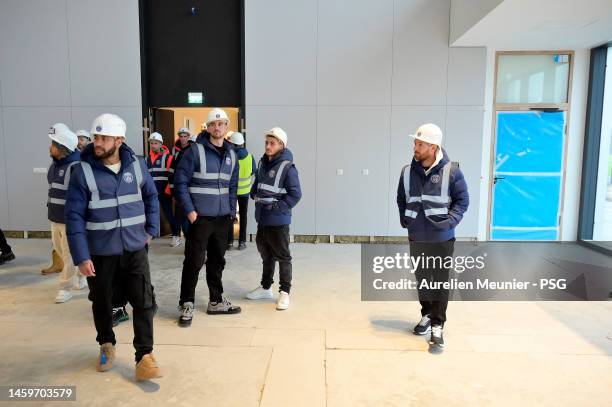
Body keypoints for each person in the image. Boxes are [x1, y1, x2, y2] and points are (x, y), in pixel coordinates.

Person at [66, 113, 161, 380]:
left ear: (119, 140)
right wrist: (81, 257)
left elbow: (151, 197)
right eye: (95, 137)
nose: (97, 142)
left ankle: (145, 355)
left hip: (134, 248)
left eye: (103, 138)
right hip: (100, 252)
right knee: (102, 302)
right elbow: (73, 217)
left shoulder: (138, 166)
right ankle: (106, 343)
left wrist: (151, 230)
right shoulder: (82, 171)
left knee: (143, 301)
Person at [396, 123, 469, 354]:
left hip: (442, 238)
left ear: (433, 146)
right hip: (416, 236)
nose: (415, 147)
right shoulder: (407, 172)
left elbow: (462, 201)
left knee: (438, 281)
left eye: (420, 144)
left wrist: (450, 222)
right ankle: (426, 314)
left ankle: (438, 325)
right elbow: (401, 199)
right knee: (422, 280)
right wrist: (406, 221)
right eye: (415, 143)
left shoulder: (452, 171)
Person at [174, 108, 240, 326]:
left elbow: (232, 186)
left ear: (227, 127)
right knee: (193, 261)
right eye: (213, 124)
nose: (217, 127)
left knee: (217, 261)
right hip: (200, 218)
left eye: (221, 124)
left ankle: (216, 300)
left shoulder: (232, 154)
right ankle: (187, 303)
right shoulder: (195, 151)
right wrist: (190, 212)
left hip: (222, 219)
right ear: (208, 127)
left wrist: (231, 211)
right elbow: (180, 183)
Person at [246, 127, 302, 310]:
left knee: (283, 257)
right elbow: (257, 183)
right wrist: (253, 193)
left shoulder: (288, 167)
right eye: (267, 143)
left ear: (281, 145)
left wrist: (277, 208)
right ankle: (265, 288)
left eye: (272, 143)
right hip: (262, 219)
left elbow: (295, 194)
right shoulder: (263, 163)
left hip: (278, 221)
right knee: (266, 256)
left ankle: (284, 293)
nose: (268, 146)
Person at [46, 123, 87, 303]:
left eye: (53, 144)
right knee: (60, 249)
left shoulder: (77, 166)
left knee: (69, 253)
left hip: (70, 219)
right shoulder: (54, 165)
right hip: (55, 217)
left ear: (62, 148)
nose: (50, 147)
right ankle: (81, 276)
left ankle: (65, 287)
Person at [147, 132, 181, 247]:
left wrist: (169, 190)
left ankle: (176, 235)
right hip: (151, 193)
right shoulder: (147, 159)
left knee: (168, 214)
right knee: (150, 214)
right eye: (151, 143)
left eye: (156, 143)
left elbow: (171, 176)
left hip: (164, 191)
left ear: (161, 144)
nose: (153, 145)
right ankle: (149, 236)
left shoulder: (169, 158)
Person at [227, 131, 256, 250]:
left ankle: (229, 242)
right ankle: (242, 242)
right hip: (245, 192)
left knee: (230, 216)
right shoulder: (250, 157)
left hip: (232, 192)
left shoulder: (230, 157)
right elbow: (253, 171)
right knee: (243, 216)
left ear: (233, 144)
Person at [169, 127, 194, 238]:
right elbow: (172, 173)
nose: (183, 138)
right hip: (180, 190)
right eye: (181, 136)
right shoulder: (176, 152)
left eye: (185, 136)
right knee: (182, 216)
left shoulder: (193, 152)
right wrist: (173, 192)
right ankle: (183, 237)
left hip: (191, 190)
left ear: (188, 137)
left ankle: (191, 240)